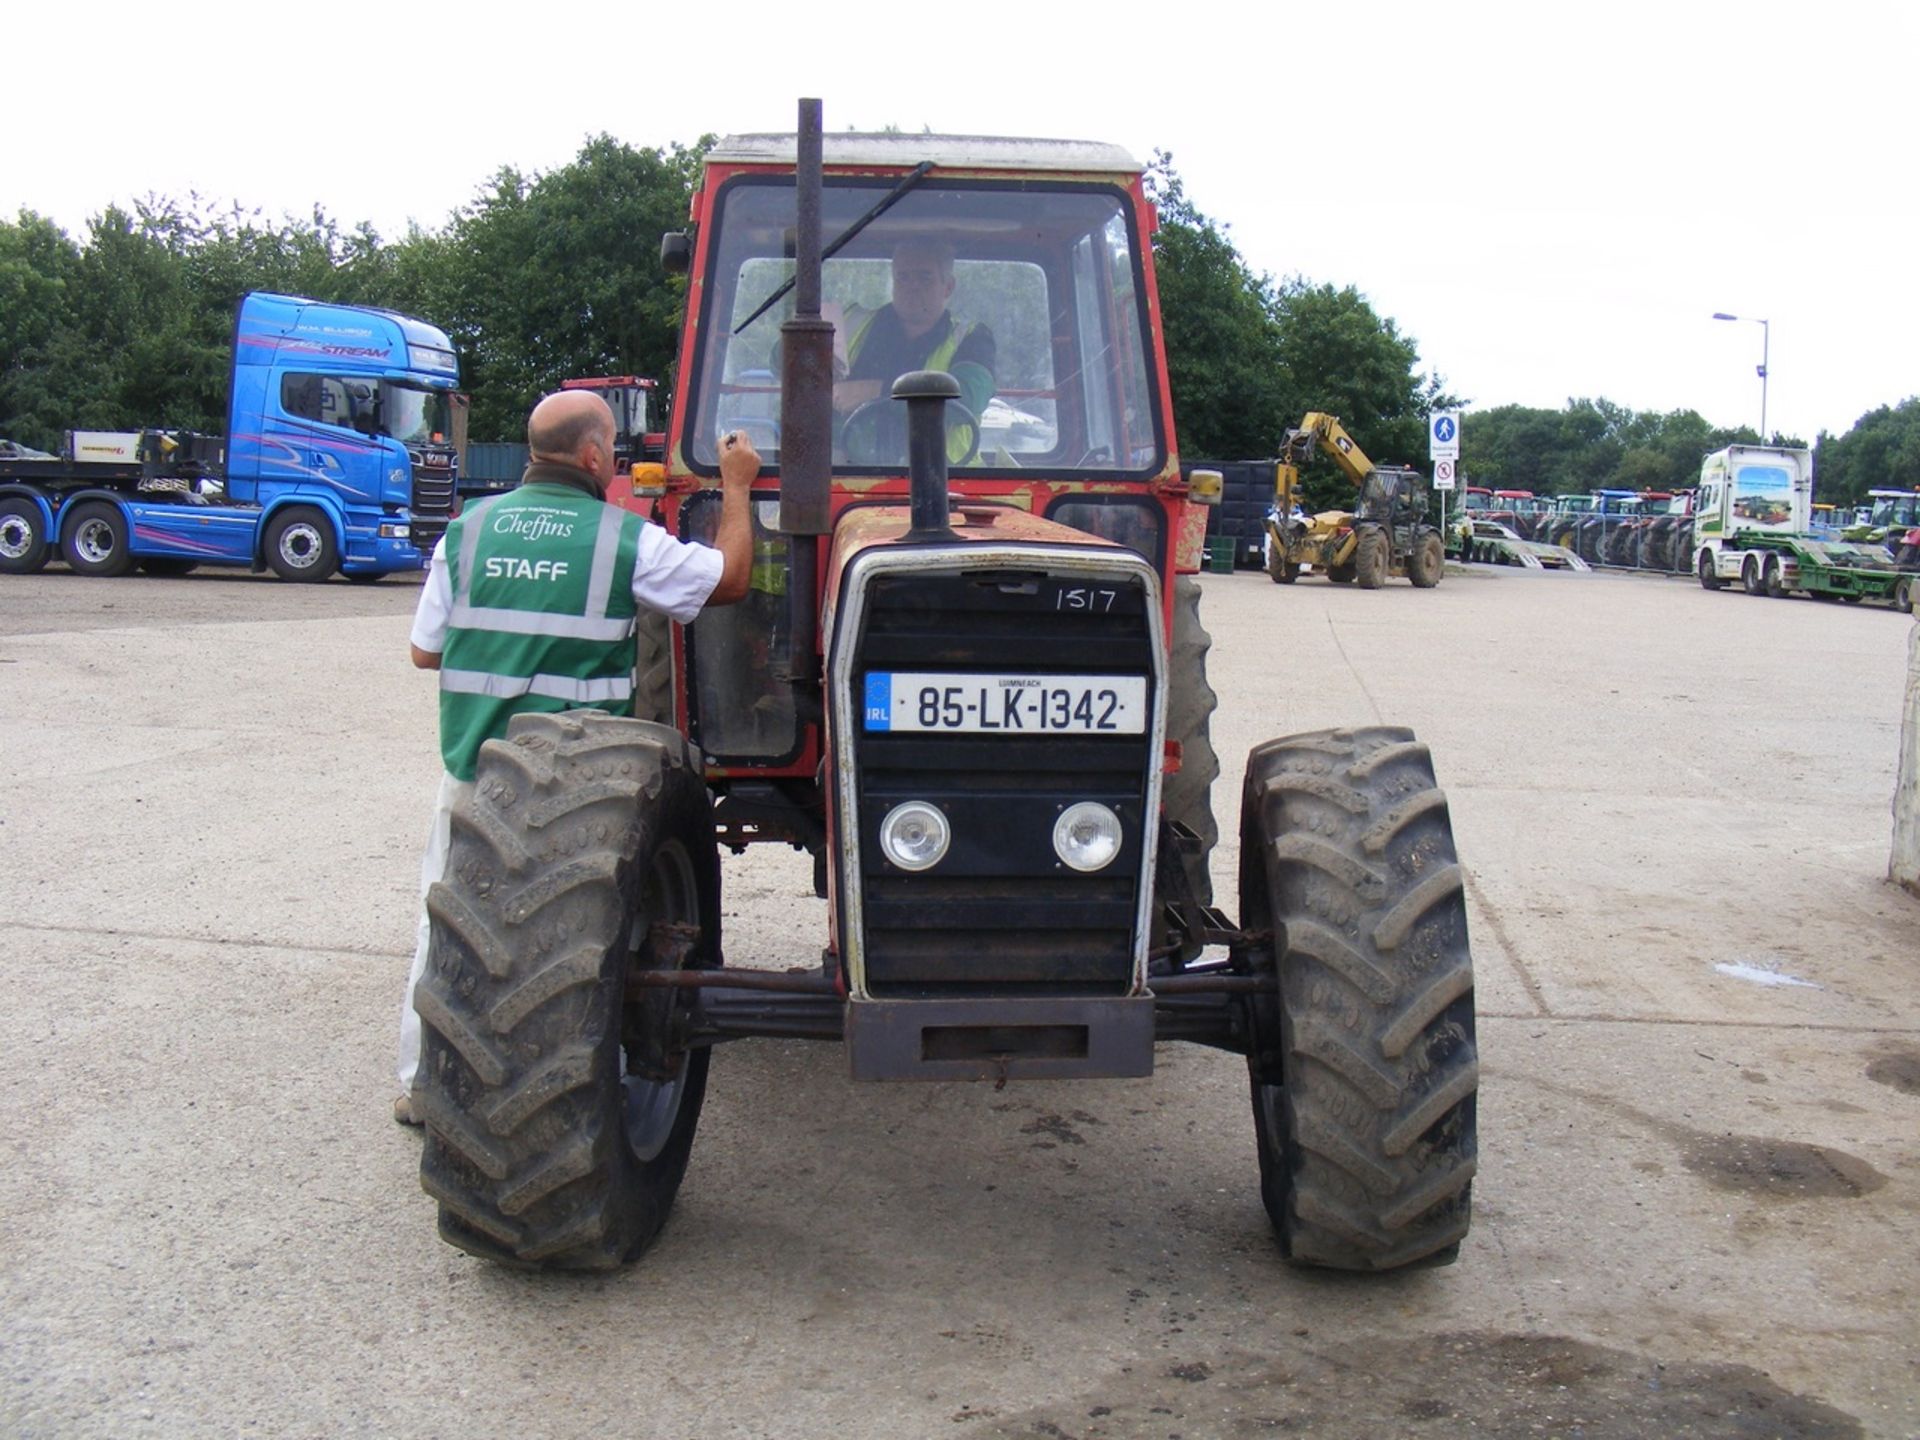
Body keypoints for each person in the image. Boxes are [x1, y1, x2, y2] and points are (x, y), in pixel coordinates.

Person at [393, 391, 758, 1125]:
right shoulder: (621, 540)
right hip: (578, 785)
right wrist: (740, 487)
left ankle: (424, 1086)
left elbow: (424, 650)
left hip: (477, 769)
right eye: (612, 448)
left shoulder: (465, 531)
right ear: (594, 456)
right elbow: (730, 581)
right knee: (584, 939)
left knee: (450, 922)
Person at [833, 239, 995, 424]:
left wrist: (878, 391)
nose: (912, 286)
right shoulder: (847, 324)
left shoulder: (973, 339)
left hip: (937, 454)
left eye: (924, 278)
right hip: (842, 453)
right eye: (903, 277)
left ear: (948, 287)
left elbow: (965, 400)